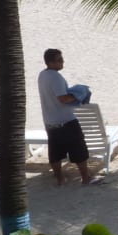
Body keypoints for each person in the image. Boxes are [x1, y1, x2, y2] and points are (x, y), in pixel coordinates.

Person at [38, 49, 101, 186]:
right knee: (79, 150)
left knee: (55, 152)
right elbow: (63, 99)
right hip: (66, 120)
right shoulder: (56, 77)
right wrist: (80, 94)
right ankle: (86, 178)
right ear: (51, 62)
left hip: (50, 121)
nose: (62, 62)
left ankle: (60, 178)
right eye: (59, 60)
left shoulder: (42, 75)